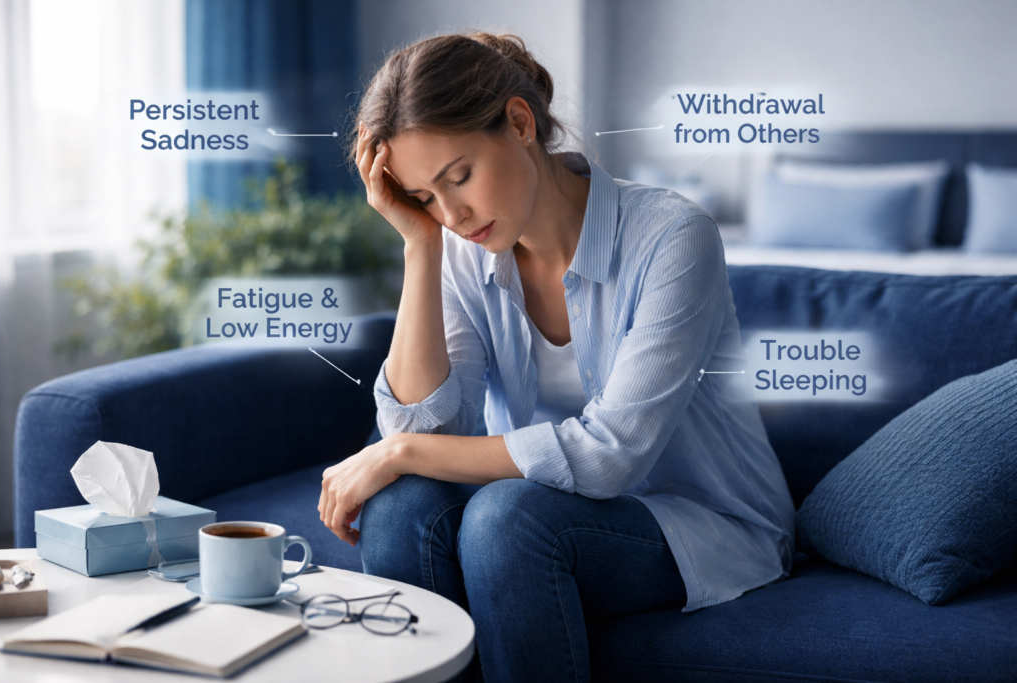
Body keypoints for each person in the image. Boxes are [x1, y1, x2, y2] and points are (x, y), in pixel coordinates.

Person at [318, 30, 795, 683]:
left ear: (520, 124)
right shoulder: (458, 248)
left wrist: (394, 451)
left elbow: (609, 457)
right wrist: (419, 248)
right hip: (535, 508)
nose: (452, 214)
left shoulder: (672, 236)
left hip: (700, 521)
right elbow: (430, 427)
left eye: (458, 177)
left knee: (504, 520)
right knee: (401, 507)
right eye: (425, 197)